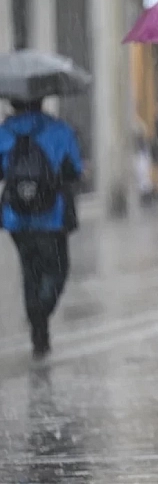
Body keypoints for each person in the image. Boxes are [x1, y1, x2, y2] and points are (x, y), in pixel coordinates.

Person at [0, 98, 84, 357]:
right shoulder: (59, 130)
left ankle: (40, 334)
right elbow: (75, 170)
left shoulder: (3, 132)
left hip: (16, 217)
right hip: (52, 217)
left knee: (30, 271)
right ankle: (40, 315)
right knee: (58, 270)